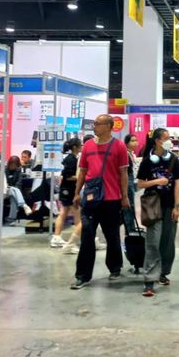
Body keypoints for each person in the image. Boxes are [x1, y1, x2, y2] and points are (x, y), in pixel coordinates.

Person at [70, 115, 130, 290]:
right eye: (94, 123)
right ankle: (82, 275)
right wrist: (77, 193)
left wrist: (124, 196)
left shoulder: (119, 146)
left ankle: (115, 267)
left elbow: (123, 174)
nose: (94, 126)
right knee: (87, 236)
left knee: (112, 235)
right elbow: (82, 171)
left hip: (111, 199)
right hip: (90, 199)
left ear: (109, 126)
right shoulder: (88, 146)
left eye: (97, 124)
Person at [136, 128, 179, 297]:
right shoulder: (147, 161)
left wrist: (177, 206)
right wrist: (157, 181)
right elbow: (140, 184)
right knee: (153, 241)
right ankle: (149, 280)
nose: (169, 141)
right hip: (152, 205)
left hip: (169, 206)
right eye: (166, 138)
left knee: (168, 241)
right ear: (157, 140)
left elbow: (177, 184)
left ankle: (163, 272)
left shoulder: (173, 159)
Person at [52, 138, 83, 253]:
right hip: (69, 190)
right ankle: (72, 242)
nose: (82, 147)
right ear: (75, 147)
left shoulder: (71, 158)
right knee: (77, 216)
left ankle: (56, 237)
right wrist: (81, 177)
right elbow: (68, 176)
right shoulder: (71, 159)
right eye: (80, 145)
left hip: (67, 190)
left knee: (63, 213)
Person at [0, 155, 32, 224]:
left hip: (15, 191)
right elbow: (3, 183)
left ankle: (11, 218)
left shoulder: (19, 171)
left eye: (14, 164)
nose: (12, 166)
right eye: (11, 164)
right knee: (12, 190)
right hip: (5, 190)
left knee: (13, 196)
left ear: (17, 165)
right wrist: (8, 186)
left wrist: (13, 188)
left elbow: (19, 183)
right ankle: (23, 205)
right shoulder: (4, 170)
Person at [122, 134, 139, 232]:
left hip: (132, 180)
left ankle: (131, 228)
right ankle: (130, 229)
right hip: (128, 180)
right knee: (129, 205)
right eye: (132, 141)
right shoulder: (125, 154)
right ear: (126, 143)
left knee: (131, 204)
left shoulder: (131, 154)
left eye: (136, 140)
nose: (135, 143)